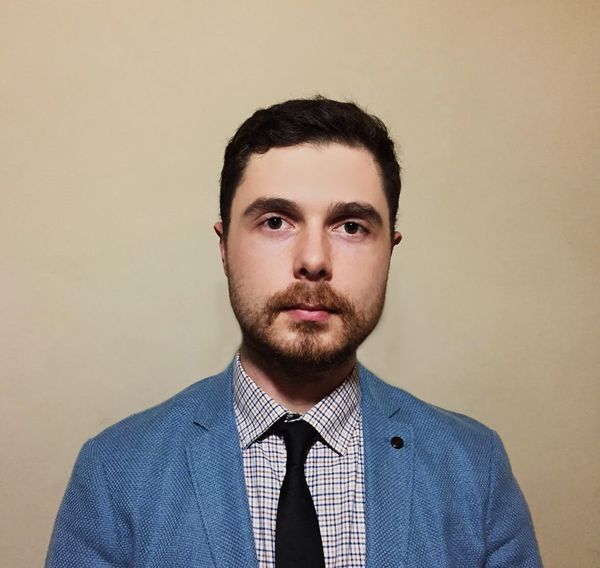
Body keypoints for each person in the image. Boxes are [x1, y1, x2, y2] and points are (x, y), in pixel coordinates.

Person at [46, 97, 543, 567]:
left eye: (351, 227)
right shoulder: (115, 472)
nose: (313, 260)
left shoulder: (475, 469)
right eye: (275, 221)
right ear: (224, 248)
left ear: (390, 251)